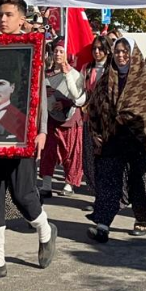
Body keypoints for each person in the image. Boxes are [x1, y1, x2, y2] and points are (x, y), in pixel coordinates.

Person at [0, 0, 56, 282]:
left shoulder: (32, 47)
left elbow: (39, 91)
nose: (2, 20)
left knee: (23, 195)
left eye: (8, 15)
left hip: (22, 133)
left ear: (21, 19)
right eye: (0, 16)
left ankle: (45, 230)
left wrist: (42, 130)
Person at [85, 38, 146, 242]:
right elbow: (94, 108)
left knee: (139, 183)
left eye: (125, 52)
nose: (121, 56)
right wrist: (95, 132)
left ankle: (141, 218)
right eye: (117, 52)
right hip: (112, 140)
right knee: (108, 181)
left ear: (134, 54)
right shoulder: (106, 79)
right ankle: (103, 224)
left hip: (139, 141)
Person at [40, 41, 87, 197]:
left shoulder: (76, 74)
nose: (58, 54)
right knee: (49, 151)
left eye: (61, 51)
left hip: (70, 119)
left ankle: (69, 183)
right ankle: (46, 183)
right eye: (56, 51)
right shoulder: (47, 73)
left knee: (71, 153)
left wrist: (65, 103)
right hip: (52, 119)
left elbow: (79, 98)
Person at [80, 37, 111, 193]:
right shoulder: (86, 69)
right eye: (94, 49)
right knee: (90, 155)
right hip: (89, 118)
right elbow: (79, 92)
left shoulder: (112, 69)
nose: (97, 52)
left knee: (106, 155)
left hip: (107, 120)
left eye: (100, 48)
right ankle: (96, 190)